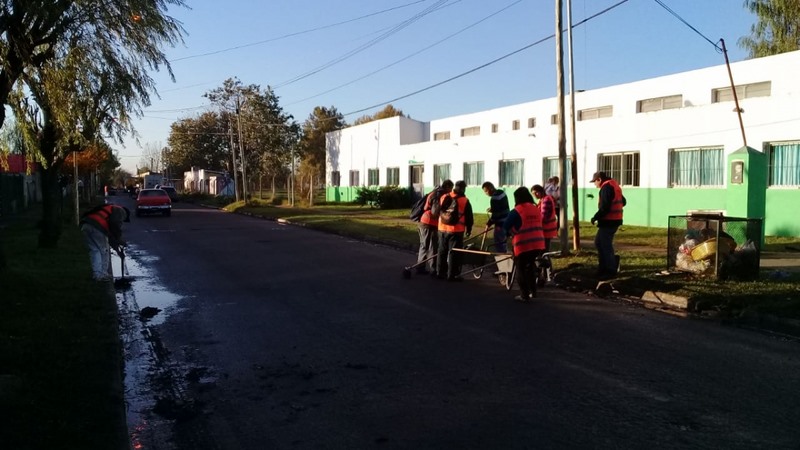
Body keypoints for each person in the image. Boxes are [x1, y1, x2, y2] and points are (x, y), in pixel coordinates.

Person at [503, 187, 546, 302]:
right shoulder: (535, 208)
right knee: (530, 267)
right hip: (538, 243)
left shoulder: (517, 210)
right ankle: (533, 291)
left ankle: (524, 294)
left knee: (521, 268)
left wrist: (510, 232)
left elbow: (506, 225)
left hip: (523, 244)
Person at [589, 171, 626, 279]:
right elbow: (623, 201)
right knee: (599, 242)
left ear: (599, 179)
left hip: (609, 221)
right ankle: (604, 267)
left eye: (595, 182)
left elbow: (605, 207)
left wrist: (595, 217)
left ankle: (610, 269)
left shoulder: (606, 188)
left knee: (605, 245)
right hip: (614, 220)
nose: (595, 184)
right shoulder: (614, 185)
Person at [80, 204, 130, 281]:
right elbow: (115, 224)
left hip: (85, 225)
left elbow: (110, 238)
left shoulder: (109, 209)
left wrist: (117, 250)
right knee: (104, 251)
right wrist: (119, 239)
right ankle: (103, 274)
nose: (122, 221)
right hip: (97, 227)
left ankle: (97, 275)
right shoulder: (120, 211)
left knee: (95, 250)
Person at [436, 180, 474, 281]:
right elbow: (469, 218)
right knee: (454, 252)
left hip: (442, 228)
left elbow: (438, 210)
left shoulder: (444, 196)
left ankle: (440, 272)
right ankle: (452, 275)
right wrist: (469, 229)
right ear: (463, 188)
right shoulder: (464, 200)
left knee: (441, 251)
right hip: (456, 230)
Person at [417, 179, 454, 275]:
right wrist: (444, 214)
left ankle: (422, 267)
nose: (451, 191)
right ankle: (432, 269)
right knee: (431, 246)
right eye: (451, 188)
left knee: (425, 245)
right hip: (429, 222)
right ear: (447, 187)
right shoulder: (440, 195)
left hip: (425, 221)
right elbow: (434, 212)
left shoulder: (435, 192)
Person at [481, 181, 510, 252]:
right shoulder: (501, 193)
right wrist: (493, 208)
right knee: (504, 242)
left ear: (490, 188)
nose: (486, 193)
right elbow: (502, 206)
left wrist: (489, 222)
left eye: (486, 191)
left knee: (499, 244)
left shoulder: (494, 198)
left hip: (500, 224)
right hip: (507, 221)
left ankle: (502, 259)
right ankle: (506, 257)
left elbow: (496, 215)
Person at [531, 184, 557, 252]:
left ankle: (546, 262)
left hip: (546, 229)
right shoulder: (542, 200)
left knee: (544, 251)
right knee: (544, 250)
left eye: (536, 192)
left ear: (541, 191)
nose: (535, 195)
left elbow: (543, 216)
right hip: (546, 229)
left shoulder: (546, 200)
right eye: (533, 194)